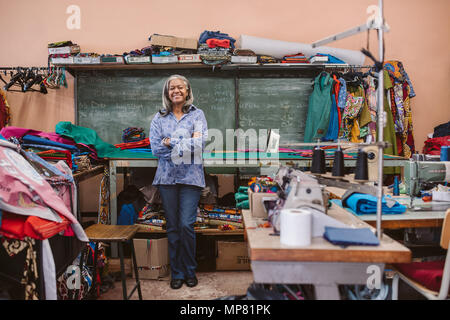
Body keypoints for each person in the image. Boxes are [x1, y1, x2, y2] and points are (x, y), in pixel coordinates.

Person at [149, 75, 208, 289]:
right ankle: (177, 273)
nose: (176, 91)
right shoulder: (159, 118)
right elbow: (156, 148)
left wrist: (171, 142)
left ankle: (190, 271)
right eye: (171, 88)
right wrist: (185, 145)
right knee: (173, 227)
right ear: (167, 93)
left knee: (186, 225)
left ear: (187, 91)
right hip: (167, 179)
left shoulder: (197, 114)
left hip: (191, 179)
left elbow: (200, 143)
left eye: (180, 87)